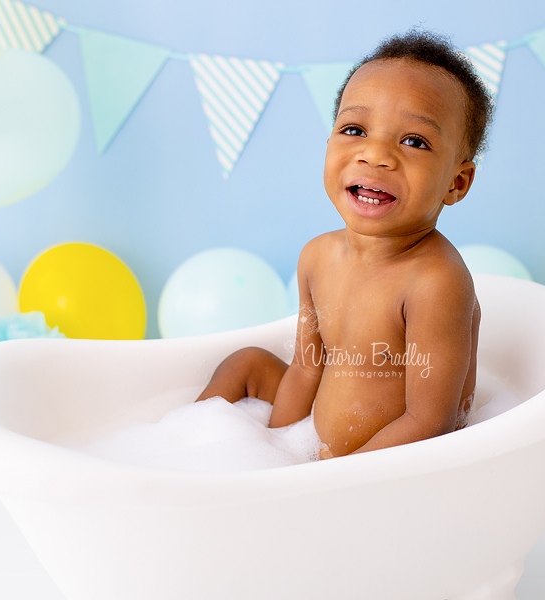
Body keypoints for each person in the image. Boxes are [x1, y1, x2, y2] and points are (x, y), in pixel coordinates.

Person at [196, 30, 490, 459]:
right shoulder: (317, 256)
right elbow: (306, 368)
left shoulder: (435, 281)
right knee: (245, 363)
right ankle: (191, 466)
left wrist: (334, 476)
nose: (376, 155)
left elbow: (431, 422)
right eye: (354, 129)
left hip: (382, 468)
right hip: (312, 445)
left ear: (456, 182)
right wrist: (273, 451)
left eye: (414, 141)